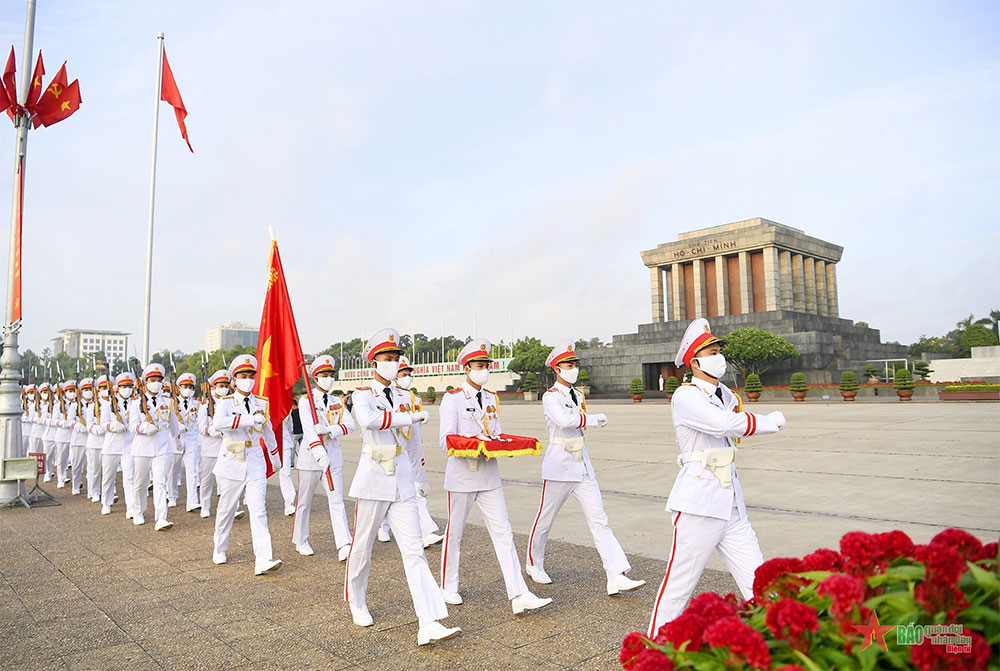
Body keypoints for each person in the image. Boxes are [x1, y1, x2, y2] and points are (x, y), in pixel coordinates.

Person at [647, 318, 787, 637]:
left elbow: (733, 424)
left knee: (759, 581)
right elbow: (724, 425)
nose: (719, 356)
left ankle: (782, 642)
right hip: (699, 505)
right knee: (679, 588)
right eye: (711, 351)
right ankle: (651, 650)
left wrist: (754, 422)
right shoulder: (686, 396)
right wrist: (769, 421)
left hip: (731, 504)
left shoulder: (724, 393)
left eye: (719, 350)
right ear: (694, 362)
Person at [345, 328, 460, 646]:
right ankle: (357, 600)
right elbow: (368, 420)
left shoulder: (405, 397)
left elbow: (413, 444)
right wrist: (405, 418)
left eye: (396, 358)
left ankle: (429, 621)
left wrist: (420, 479)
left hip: (403, 480)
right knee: (362, 548)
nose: (392, 363)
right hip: (373, 479)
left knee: (414, 552)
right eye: (386, 358)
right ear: (374, 361)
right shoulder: (362, 394)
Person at [438, 338, 552, 615]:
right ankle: (448, 585)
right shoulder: (452, 399)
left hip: (489, 476)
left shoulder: (491, 398)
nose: (483, 370)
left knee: (504, 532)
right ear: (466, 368)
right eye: (479, 365)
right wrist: (472, 444)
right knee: (455, 533)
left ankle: (519, 593)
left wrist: (502, 446)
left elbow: (496, 434)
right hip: (463, 476)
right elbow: (445, 441)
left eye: (486, 365)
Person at [525, 340, 645, 596]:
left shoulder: (577, 395)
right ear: (557, 369)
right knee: (545, 519)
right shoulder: (550, 397)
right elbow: (564, 420)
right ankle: (534, 563)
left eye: (575, 364)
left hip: (581, 462)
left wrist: (587, 421)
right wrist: (593, 419)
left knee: (600, 519)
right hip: (558, 464)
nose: (573, 368)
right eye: (569, 364)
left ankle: (616, 574)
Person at [210, 355, 282, 575]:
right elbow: (218, 424)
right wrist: (249, 420)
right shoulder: (225, 402)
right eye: (243, 376)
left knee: (259, 510)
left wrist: (275, 456)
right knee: (226, 509)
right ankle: (220, 547)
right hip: (232, 461)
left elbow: (268, 431)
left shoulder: (262, 403)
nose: (248, 380)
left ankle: (263, 559)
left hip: (255, 461)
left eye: (251, 376)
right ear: (234, 379)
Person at [378, 355, 445, 548]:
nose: (407, 377)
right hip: (391, 450)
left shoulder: (414, 398)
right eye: (403, 373)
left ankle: (426, 532)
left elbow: (415, 432)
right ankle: (382, 526)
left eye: (408, 374)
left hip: (411, 450)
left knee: (416, 492)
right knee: (386, 494)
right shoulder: (388, 396)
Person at [293, 355, 355, 560]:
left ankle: (344, 543)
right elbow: (309, 430)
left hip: (333, 456)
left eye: (330, 374)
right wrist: (319, 453)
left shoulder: (338, 401)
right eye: (323, 375)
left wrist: (329, 429)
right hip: (311, 458)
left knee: (337, 499)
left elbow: (349, 424)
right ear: (315, 377)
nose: (328, 378)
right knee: (304, 501)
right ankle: (300, 539)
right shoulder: (305, 401)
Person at [129, 364, 180, 530]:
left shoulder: (168, 401)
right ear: (145, 382)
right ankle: (138, 511)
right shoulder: (137, 402)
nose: (156, 383)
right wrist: (144, 428)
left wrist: (178, 442)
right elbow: (132, 426)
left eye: (159, 380)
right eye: (152, 380)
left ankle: (161, 518)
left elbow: (174, 426)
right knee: (140, 483)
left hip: (162, 447)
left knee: (160, 482)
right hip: (142, 447)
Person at [100, 373, 136, 516]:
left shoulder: (136, 403)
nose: (126, 389)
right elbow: (103, 424)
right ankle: (106, 502)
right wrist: (113, 426)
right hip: (112, 445)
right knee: (109, 476)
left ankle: (131, 507)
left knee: (130, 477)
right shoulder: (108, 403)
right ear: (117, 388)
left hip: (130, 443)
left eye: (129, 386)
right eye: (123, 386)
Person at [197, 370, 228, 518]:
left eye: (226, 385)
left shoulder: (230, 404)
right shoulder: (205, 406)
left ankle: (230, 508)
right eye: (221, 385)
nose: (224, 388)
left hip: (228, 447)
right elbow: (201, 427)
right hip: (210, 447)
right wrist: (212, 430)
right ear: (213, 387)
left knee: (228, 479)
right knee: (207, 479)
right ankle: (205, 505)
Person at [173, 373, 201, 512]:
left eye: (191, 387)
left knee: (192, 470)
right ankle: (172, 495)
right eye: (185, 386)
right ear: (179, 388)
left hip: (191, 437)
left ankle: (192, 501)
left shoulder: (197, 403)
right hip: (176, 438)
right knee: (172, 470)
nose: (188, 389)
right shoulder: (171, 402)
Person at [83, 376, 109, 504]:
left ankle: (107, 493)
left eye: (107, 387)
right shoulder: (92, 405)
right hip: (94, 442)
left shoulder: (112, 404)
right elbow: (89, 424)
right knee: (94, 470)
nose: (105, 390)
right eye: (102, 388)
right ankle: (94, 492)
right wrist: (95, 429)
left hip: (108, 441)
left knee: (108, 471)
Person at [68, 379, 90, 496]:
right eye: (86, 390)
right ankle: (75, 485)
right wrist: (77, 426)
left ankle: (92, 488)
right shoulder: (75, 404)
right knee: (76, 465)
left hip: (92, 439)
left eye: (90, 389)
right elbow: (70, 420)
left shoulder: (96, 404)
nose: (88, 392)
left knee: (92, 466)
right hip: (78, 438)